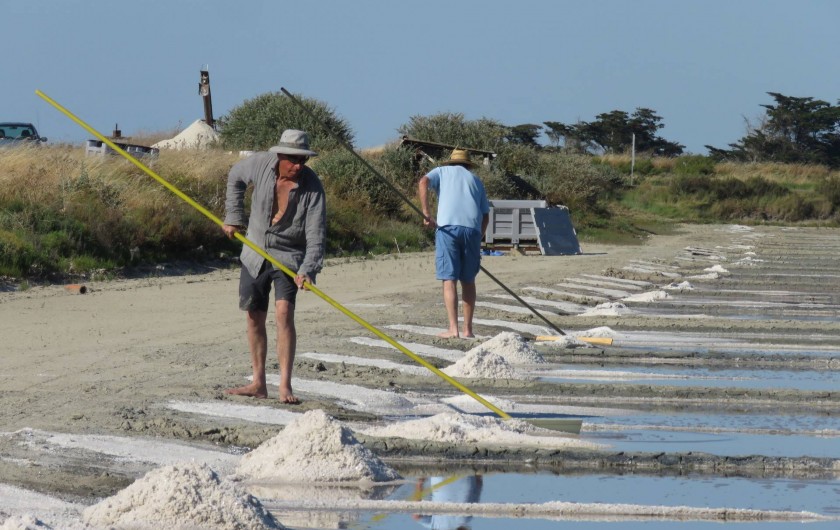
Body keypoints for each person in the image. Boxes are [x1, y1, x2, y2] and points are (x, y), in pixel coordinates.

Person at [222, 129, 326, 404]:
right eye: (293, 159)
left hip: (289, 256)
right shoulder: (260, 164)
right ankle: (258, 383)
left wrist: (308, 270)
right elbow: (235, 177)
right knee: (254, 315)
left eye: (303, 160)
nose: (298, 166)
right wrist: (233, 217)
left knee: (283, 312)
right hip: (254, 249)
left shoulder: (313, 188)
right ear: (279, 155)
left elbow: (316, 236)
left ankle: (285, 386)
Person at [418, 148, 490, 339]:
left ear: (451, 162)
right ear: (468, 164)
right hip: (472, 231)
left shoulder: (442, 171)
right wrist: (477, 238)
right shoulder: (476, 180)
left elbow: (423, 181)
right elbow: (485, 216)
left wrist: (426, 213)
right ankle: (468, 330)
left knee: (449, 278)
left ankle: (453, 329)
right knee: (468, 280)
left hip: (448, 228)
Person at [412, 474, 483, 530]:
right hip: (440, 477)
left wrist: (478, 476)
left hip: (466, 476)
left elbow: (479, 484)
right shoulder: (436, 525)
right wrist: (419, 484)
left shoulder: (466, 519)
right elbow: (416, 516)